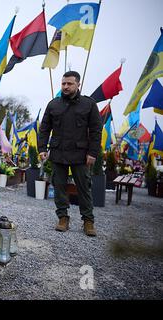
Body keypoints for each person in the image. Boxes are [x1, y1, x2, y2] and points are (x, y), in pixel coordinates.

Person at [38, 71, 102, 237]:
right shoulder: (53, 104)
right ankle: (63, 218)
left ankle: (88, 220)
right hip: (58, 153)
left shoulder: (89, 104)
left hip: (80, 154)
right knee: (59, 186)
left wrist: (93, 152)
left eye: (69, 84)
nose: (65, 87)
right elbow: (44, 128)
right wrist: (42, 148)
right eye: (63, 84)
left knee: (84, 188)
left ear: (78, 84)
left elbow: (96, 130)